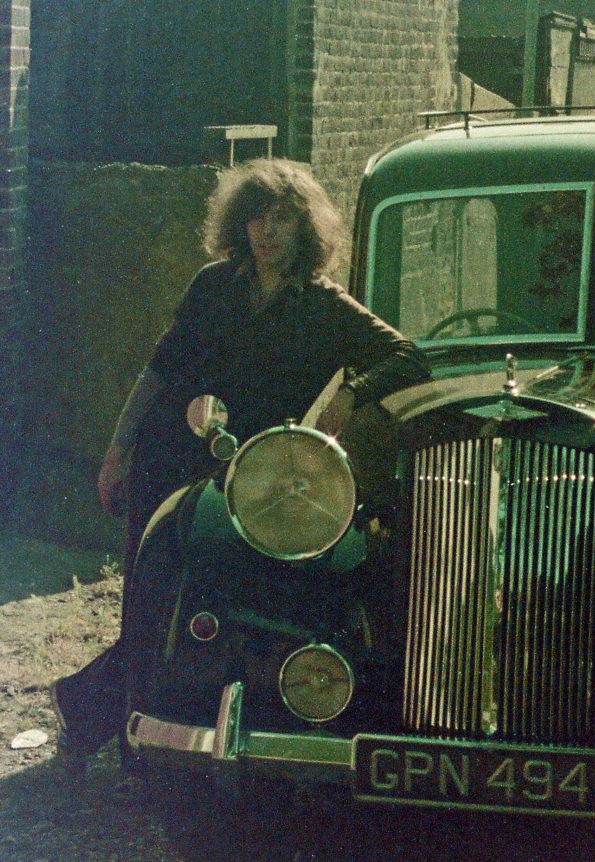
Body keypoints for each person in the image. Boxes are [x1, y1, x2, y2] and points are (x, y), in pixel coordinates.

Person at [51, 158, 429, 768]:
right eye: (256, 216)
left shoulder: (325, 306)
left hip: (249, 477)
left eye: (281, 217)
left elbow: (407, 355)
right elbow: (159, 371)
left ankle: (89, 709)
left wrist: (353, 389)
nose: (266, 231)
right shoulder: (212, 284)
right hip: (169, 457)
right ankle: (124, 741)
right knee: (153, 599)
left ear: (305, 228)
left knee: (213, 602)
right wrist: (117, 451)